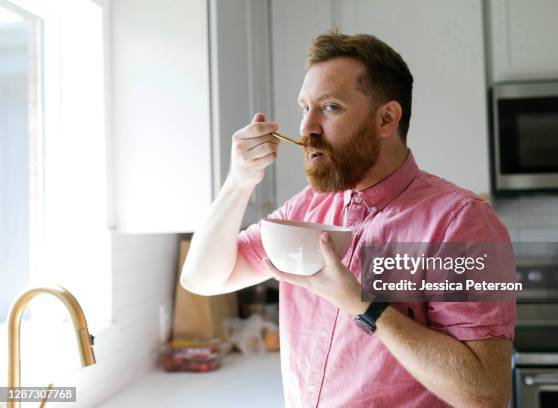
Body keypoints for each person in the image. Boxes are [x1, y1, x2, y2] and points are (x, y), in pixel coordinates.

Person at [181, 31, 515, 408]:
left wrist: (363, 304)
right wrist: (238, 182)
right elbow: (203, 278)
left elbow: (486, 395)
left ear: (386, 118)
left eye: (330, 107)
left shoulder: (461, 223)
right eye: (304, 108)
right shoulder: (305, 211)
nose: (307, 128)